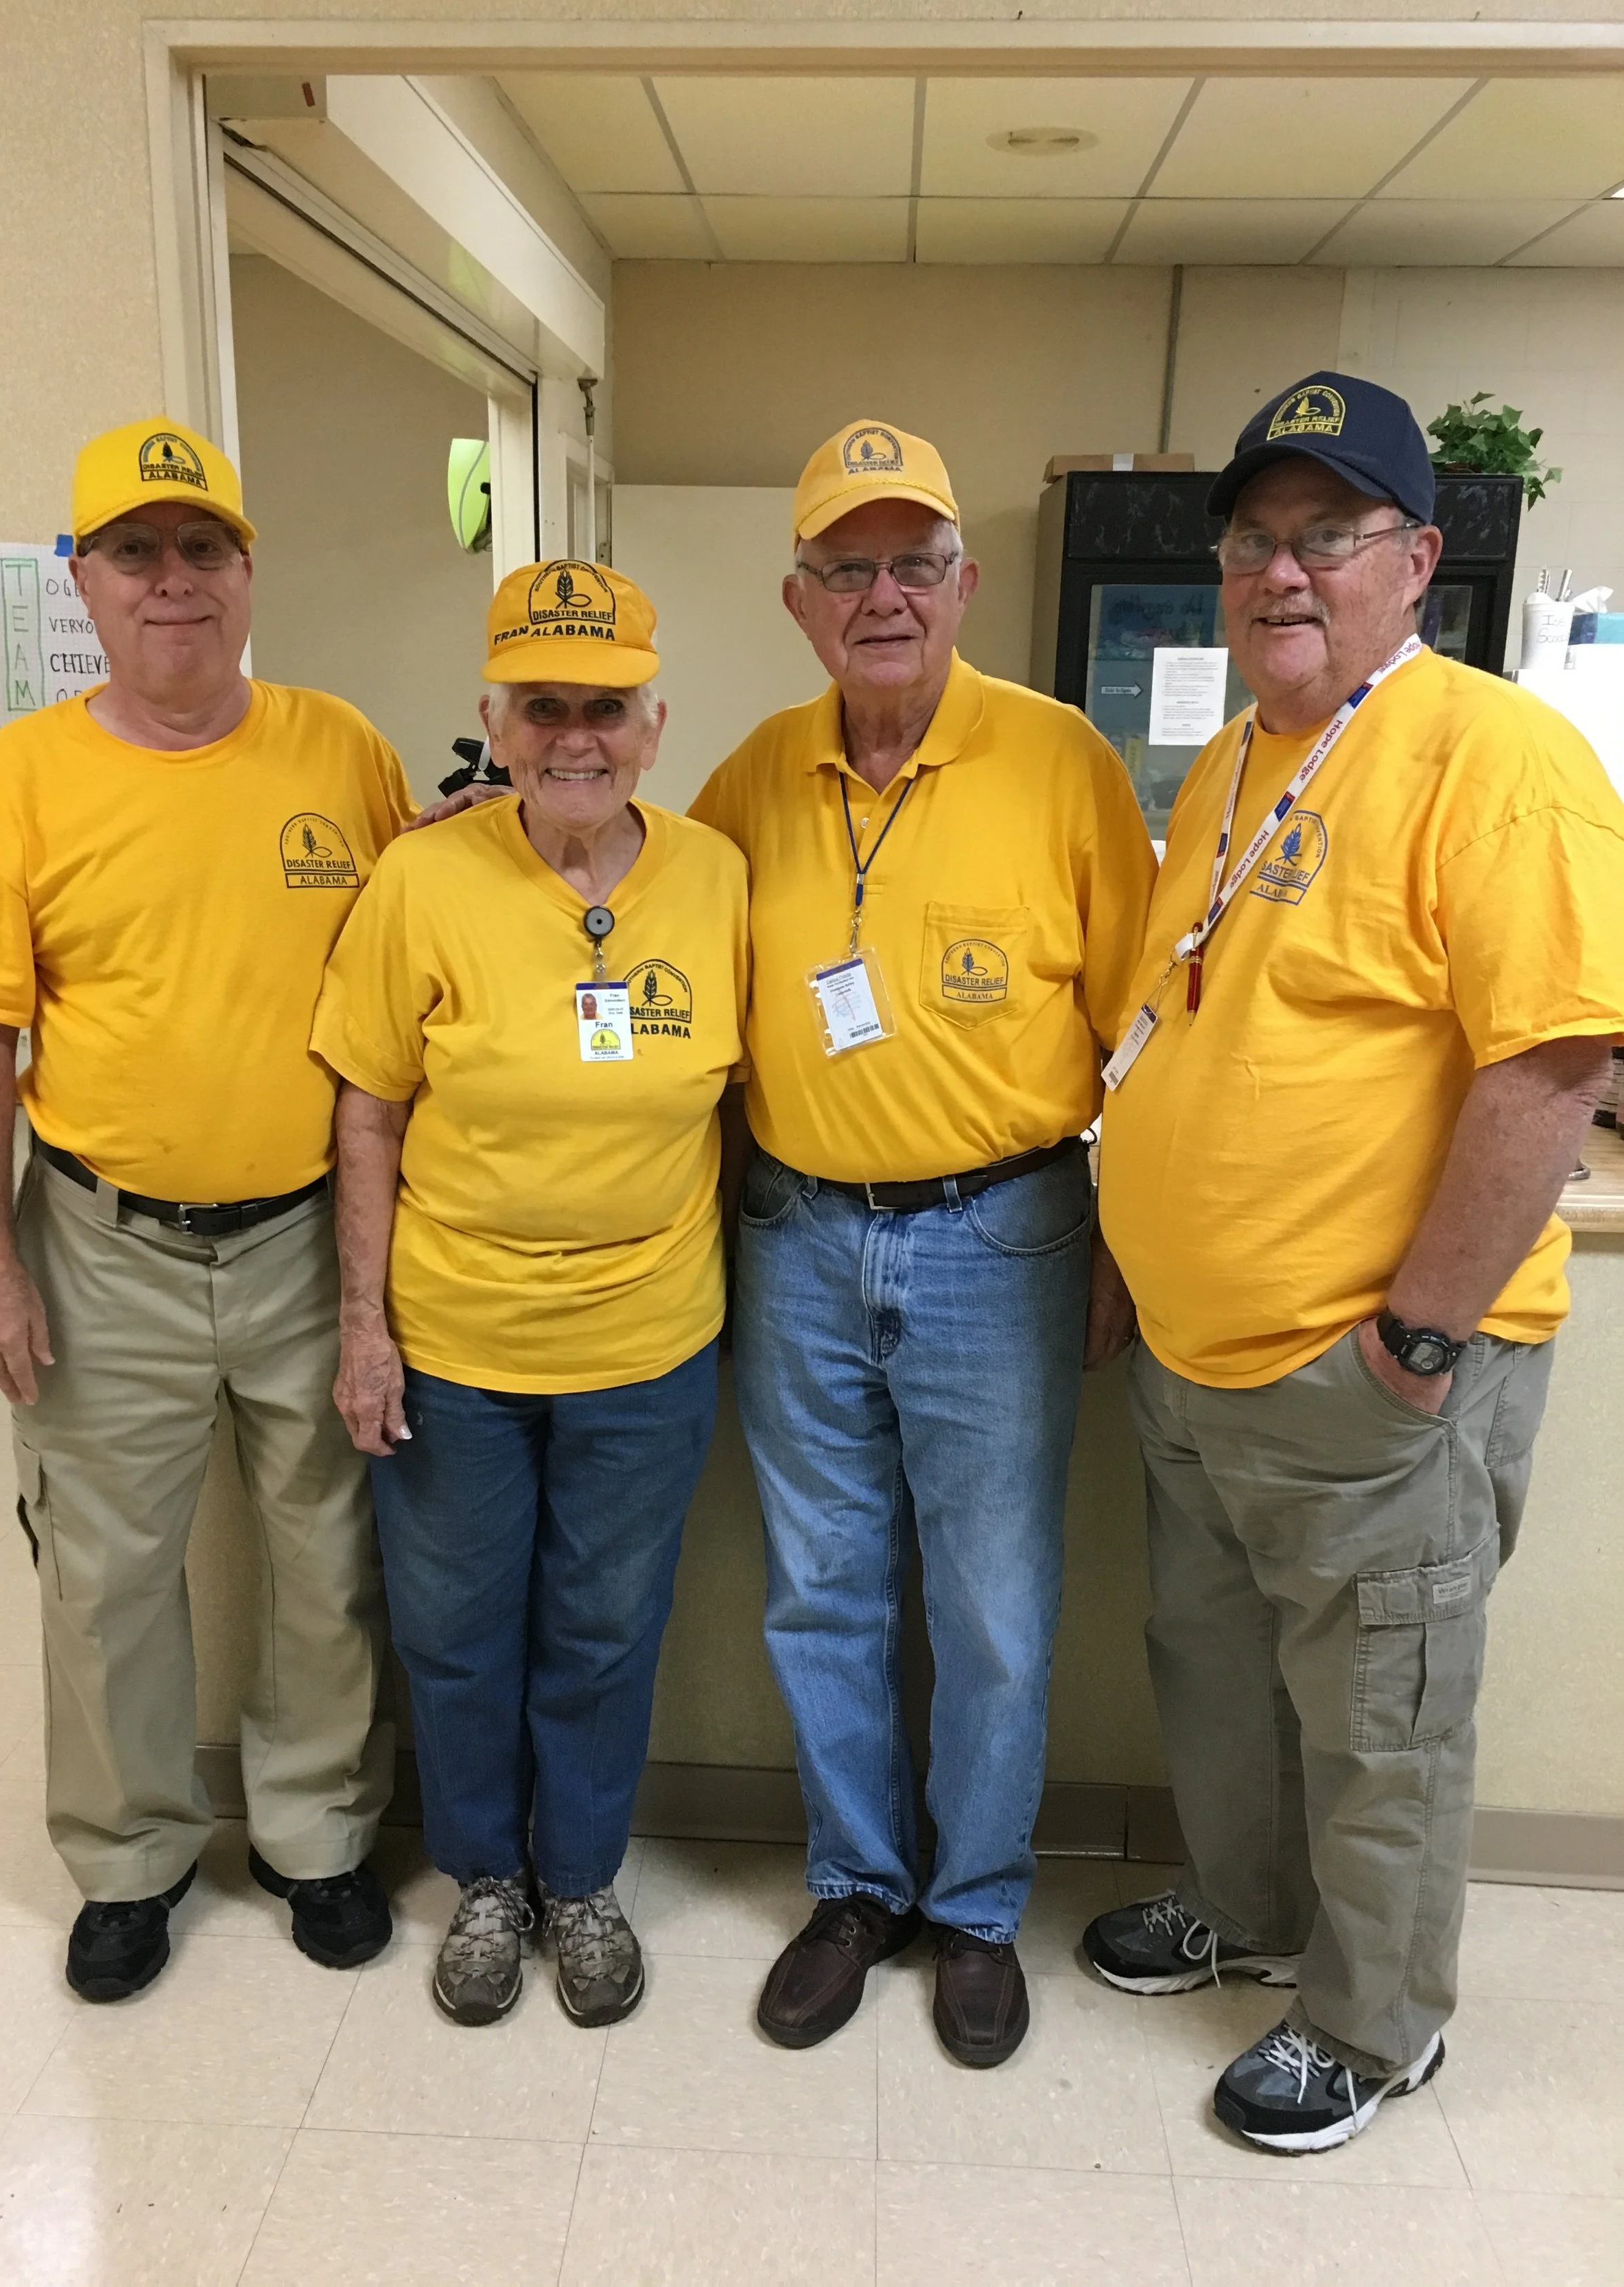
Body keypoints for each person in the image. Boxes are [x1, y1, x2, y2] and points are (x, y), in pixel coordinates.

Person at [1083, 371, 1624, 2151]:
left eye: (1330, 537)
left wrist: (1413, 1333)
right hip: (1198, 1362)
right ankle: (1245, 1919)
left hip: (1366, 1376)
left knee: (1381, 1716)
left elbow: (1547, 1066)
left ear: (1420, 559)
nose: (1282, 572)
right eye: (1255, 539)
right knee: (1219, 1677)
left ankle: (1377, 2022)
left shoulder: (1495, 758)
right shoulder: (1237, 755)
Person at [0, 418, 414, 1999]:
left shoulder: (343, 751)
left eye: (204, 548)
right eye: (136, 551)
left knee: (326, 1557)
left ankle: (315, 1834)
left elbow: (413, 994)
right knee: (106, 1572)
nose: (173, 580)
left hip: (306, 1241)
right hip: (100, 1244)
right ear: (84, 581)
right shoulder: (24, 778)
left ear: (248, 570)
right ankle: (128, 1859)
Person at [687, 422, 1157, 2067]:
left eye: (911, 563)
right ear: (798, 601)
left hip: (1001, 1238)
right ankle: (853, 1886)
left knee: (993, 1609)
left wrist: (1119, 1245)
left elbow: (1138, 1042)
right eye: (844, 568)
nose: (879, 596)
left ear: (963, 584)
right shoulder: (745, 778)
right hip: (797, 1237)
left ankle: (971, 1906)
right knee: (819, 1591)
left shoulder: (1064, 766)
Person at [312, 559, 748, 2030]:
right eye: (543, 705)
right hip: (454, 1339)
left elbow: (740, 1106)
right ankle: (485, 1879)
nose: (579, 735)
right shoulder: (418, 878)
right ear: (494, 725)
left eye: (607, 706)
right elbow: (365, 1109)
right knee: (453, 1625)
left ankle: (580, 1879)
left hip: (645, 1338)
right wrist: (363, 1330)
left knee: (604, 1626)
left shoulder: (716, 876)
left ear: (655, 721)